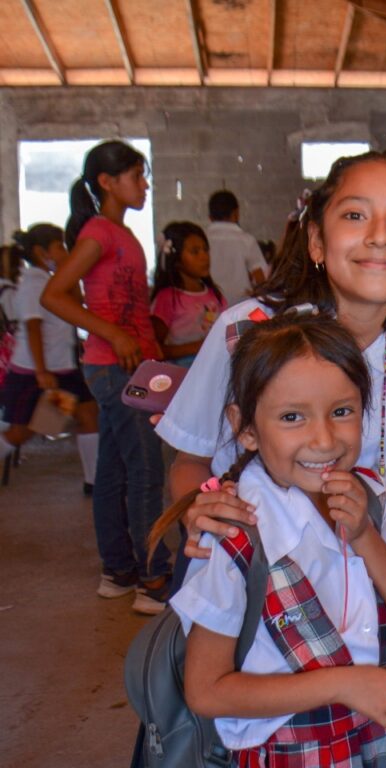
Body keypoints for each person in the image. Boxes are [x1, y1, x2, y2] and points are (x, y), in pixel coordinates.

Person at [154, 312, 386, 765]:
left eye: (342, 412)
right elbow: (207, 691)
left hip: (380, 744)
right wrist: (347, 684)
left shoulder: (372, 499)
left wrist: (364, 534)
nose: (323, 439)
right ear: (245, 427)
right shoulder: (234, 533)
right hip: (293, 753)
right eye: (292, 417)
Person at [155, 150, 386, 567]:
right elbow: (192, 459)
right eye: (355, 216)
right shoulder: (244, 332)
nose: (380, 236)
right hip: (248, 578)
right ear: (316, 241)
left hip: (361, 590)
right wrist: (197, 511)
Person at [41, 140, 171, 615]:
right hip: (115, 366)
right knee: (145, 470)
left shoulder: (120, 232)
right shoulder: (99, 232)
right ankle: (155, 579)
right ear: (107, 182)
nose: (144, 184)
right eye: (137, 176)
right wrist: (113, 333)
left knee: (115, 471)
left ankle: (119, 571)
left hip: (128, 364)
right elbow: (55, 295)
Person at [0, 225, 99, 492]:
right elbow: (33, 327)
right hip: (35, 371)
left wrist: (72, 269)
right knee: (23, 431)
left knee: (87, 414)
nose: (64, 252)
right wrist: (42, 371)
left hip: (61, 368)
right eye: (59, 247)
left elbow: (77, 303)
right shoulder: (33, 283)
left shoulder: (52, 280)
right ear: (41, 252)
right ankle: (93, 480)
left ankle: (93, 481)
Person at [150, 221, 227, 367]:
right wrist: (198, 347)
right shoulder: (167, 298)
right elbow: (156, 348)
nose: (204, 257)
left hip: (213, 368)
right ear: (176, 259)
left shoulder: (215, 295)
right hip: (182, 374)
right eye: (195, 251)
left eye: (205, 249)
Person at [206, 190, 270, 306]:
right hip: (240, 306)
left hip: (209, 308)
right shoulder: (246, 240)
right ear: (236, 213)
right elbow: (260, 276)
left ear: (210, 217)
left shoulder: (202, 240)